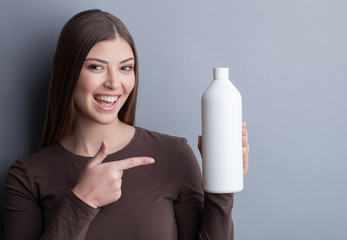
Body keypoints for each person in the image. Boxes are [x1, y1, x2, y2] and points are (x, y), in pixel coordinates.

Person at [4, 9, 250, 240]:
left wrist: (222, 186)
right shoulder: (27, 176)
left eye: (125, 68)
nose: (114, 82)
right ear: (68, 72)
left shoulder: (172, 155)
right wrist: (82, 201)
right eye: (96, 67)